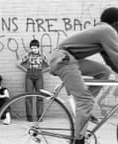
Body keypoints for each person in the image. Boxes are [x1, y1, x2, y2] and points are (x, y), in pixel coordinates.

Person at [49, 7, 118, 144]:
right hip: (64, 60)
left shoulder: (101, 30)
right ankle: (78, 140)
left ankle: (84, 109)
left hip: (69, 58)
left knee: (104, 72)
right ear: (116, 23)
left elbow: (111, 61)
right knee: (85, 101)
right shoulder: (107, 31)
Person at [17, 39, 48, 122]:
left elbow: (50, 65)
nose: (33, 50)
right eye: (32, 48)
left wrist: (42, 71)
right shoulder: (28, 55)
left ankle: (39, 117)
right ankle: (29, 117)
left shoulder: (42, 55)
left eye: (35, 48)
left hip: (39, 76)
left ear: (38, 48)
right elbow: (18, 63)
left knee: (40, 97)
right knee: (28, 97)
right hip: (29, 76)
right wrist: (26, 70)